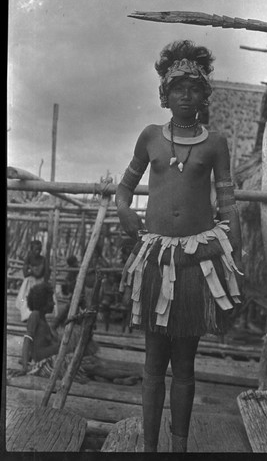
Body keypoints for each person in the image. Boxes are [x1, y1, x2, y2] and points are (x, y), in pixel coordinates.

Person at [116, 40, 243, 452]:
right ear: (164, 95)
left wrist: (231, 252)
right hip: (155, 260)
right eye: (177, 88)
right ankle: (149, 446)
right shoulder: (150, 137)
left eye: (193, 87)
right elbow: (123, 190)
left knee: (184, 366)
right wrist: (124, 211)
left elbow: (227, 204)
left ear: (204, 94)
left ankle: (179, 447)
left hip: (195, 262)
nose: (185, 95)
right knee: (153, 365)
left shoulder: (215, 143)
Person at [9, 281, 142, 385]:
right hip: (47, 363)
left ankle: (118, 379)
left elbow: (50, 331)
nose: (53, 304)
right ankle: (130, 374)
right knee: (90, 367)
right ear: (42, 302)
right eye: (50, 300)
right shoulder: (35, 315)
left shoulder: (42, 319)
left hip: (54, 358)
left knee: (89, 365)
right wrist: (25, 366)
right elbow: (27, 339)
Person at [15, 240, 47, 322]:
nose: (38, 251)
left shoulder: (43, 259)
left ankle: (36, 317)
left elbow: (39, 274)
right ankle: (26, 316)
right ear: (32, 249)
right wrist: (34, 269)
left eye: (39, 249)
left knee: (37, 300)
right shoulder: (28, 258)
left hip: (39, 282)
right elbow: (25, 273)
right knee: (24, 298)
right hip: (28, 282)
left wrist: (31, 268)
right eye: (36, 249)